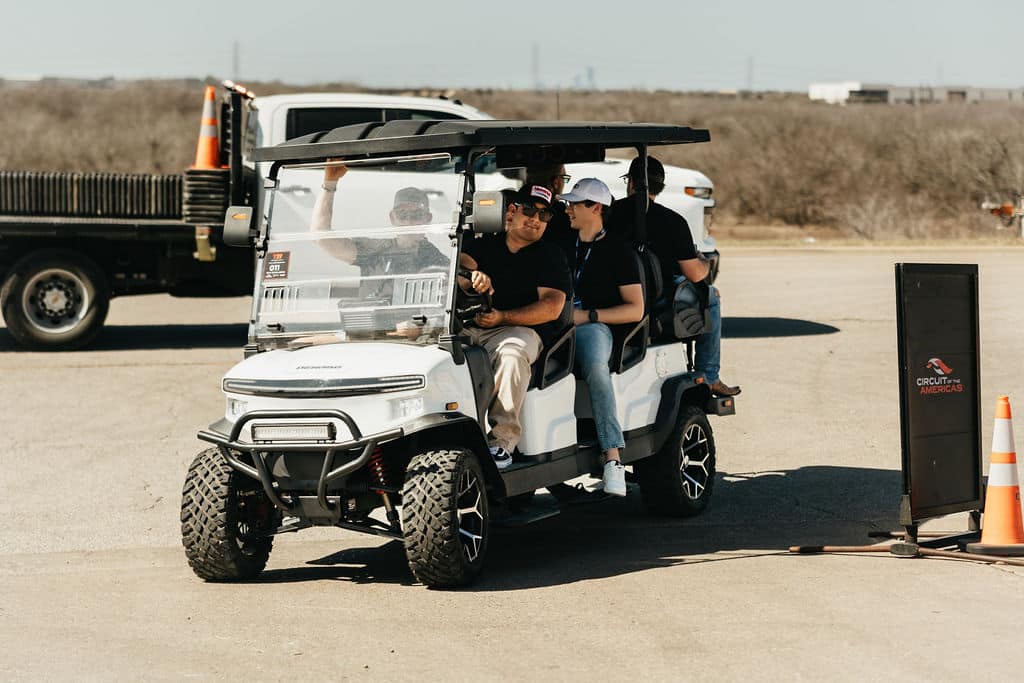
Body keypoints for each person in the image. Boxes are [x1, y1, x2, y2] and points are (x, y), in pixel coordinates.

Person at [458, 185, 571, 469]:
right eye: (530, 211)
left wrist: (503, 317)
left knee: (512, 353)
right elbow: (461, 265)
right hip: (471, 326)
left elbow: (552, 306)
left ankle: (502, 442)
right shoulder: (484, 244)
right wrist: (473, 275)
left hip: (520, 330)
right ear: (511, 211)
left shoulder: (550, 255)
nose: (536, 219)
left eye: (544, 215)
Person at [609, 156, 740, 397]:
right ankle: (709, 375)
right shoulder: (672, 221)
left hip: (612, 294)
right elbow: (694, 273)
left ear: (631, 183)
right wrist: (704, 262)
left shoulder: (609, 215)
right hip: (656, 300)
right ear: (659, 187)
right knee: (711, 296)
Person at [558, 178, 644, 497]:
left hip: (595, 325)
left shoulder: (619, 251)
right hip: (556, 322)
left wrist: (588, 316)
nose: (568, 210)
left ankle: (612, 457)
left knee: (595, 365)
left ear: (595, 208)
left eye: (574, 204)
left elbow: (635, 309)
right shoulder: (562, 244)